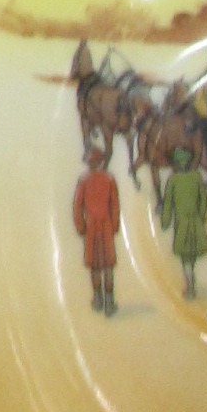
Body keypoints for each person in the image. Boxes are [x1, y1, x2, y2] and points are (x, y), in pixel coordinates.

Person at [72, 134, 121, 317]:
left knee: (95, 265)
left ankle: (98, 299)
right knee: (107, 265)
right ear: (100, 162)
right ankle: (109, 301)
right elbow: (114, 205)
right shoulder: (109, 179)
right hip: (106, 226)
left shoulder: (84, 181)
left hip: (92, 227)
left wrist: (80, 226)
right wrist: (114, 225)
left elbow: (78, 206)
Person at [157, 143, 207, 301]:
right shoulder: (196, 177)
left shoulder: (173, 180)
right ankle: (191, 281)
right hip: (195, 221)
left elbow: (167, 203)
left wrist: (165, 222)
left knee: (185, 255)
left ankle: (190, 284)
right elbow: (203, 200)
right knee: (191, 253)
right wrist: (201, 217)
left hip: (182, 223)